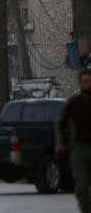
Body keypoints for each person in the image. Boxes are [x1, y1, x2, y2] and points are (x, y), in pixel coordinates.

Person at [56, 70, 91, 213]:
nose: (88, 85)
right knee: (82, 186)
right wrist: (60, 142)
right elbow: (61, 123)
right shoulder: (74, 103)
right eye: (85, 81)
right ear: (80, 83)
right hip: (79, 148)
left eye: (90, 81)